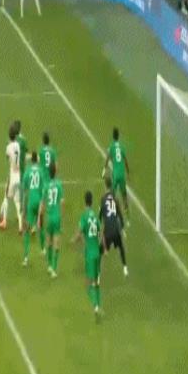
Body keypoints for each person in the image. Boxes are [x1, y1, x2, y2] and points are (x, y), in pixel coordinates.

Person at [72, 191, 102, 321]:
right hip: (97, 253)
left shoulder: (84, 216)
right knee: (96, 282)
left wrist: (74, 240)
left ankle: (96, 307)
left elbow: (79, 232)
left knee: (89, 283)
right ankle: (98, 304)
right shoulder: (95, 216)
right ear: (92, 201)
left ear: (85, 201)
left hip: (89, 254)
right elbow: (100, 233)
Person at [99, 176, 129, 277]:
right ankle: (125, 268)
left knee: (100, 251)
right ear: (111, 185)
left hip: (108, 230)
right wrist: (123, 229)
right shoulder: (115, 198)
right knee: (121, 247)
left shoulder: (103, 199)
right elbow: (120, 214)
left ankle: (97, 273)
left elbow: (100, 216)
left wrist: (99, 228)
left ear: (105, 185)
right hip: (116, 229)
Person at [39, 162, 63, 278]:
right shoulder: (59, 185)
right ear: (56, 172)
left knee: (48, 241)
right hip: (57, 216)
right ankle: (54, 268)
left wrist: (40, 217)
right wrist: (61, 216)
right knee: (56, 243)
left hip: (49, 216)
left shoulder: (46, 186)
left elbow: (42, 204)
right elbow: (61, 202)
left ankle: (49, 265)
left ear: (49, 173)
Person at [102, 127, 130, 224]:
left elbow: (107, 158)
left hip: (115, 174)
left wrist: (104, 170)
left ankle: (112, 215)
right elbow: (125, 160)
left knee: (111, 196)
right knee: (124, 196)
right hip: (122, 174)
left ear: (113, 136)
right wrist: (128, 173)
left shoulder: (111, 147)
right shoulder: (121, 146)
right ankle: (127, 219)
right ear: (118, 136)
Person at [21, 151, 44, 266]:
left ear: (31, 160)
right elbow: (44, 189)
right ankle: (43, 249)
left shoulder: (27, 171)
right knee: (41, 226)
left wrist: (23, 207)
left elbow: (24, 190)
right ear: (37, 160)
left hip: (30, 201)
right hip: (39, 201)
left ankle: (26, 257)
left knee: (26, 229)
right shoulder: (41, 171)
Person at [0, 125, 23, 232]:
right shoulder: (18, 145)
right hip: (19, 175)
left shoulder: (8, 147)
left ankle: (4, 221)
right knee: (17, 201)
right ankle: (20, 225)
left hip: (12, 175)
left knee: (6, 197)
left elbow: (7, 157)